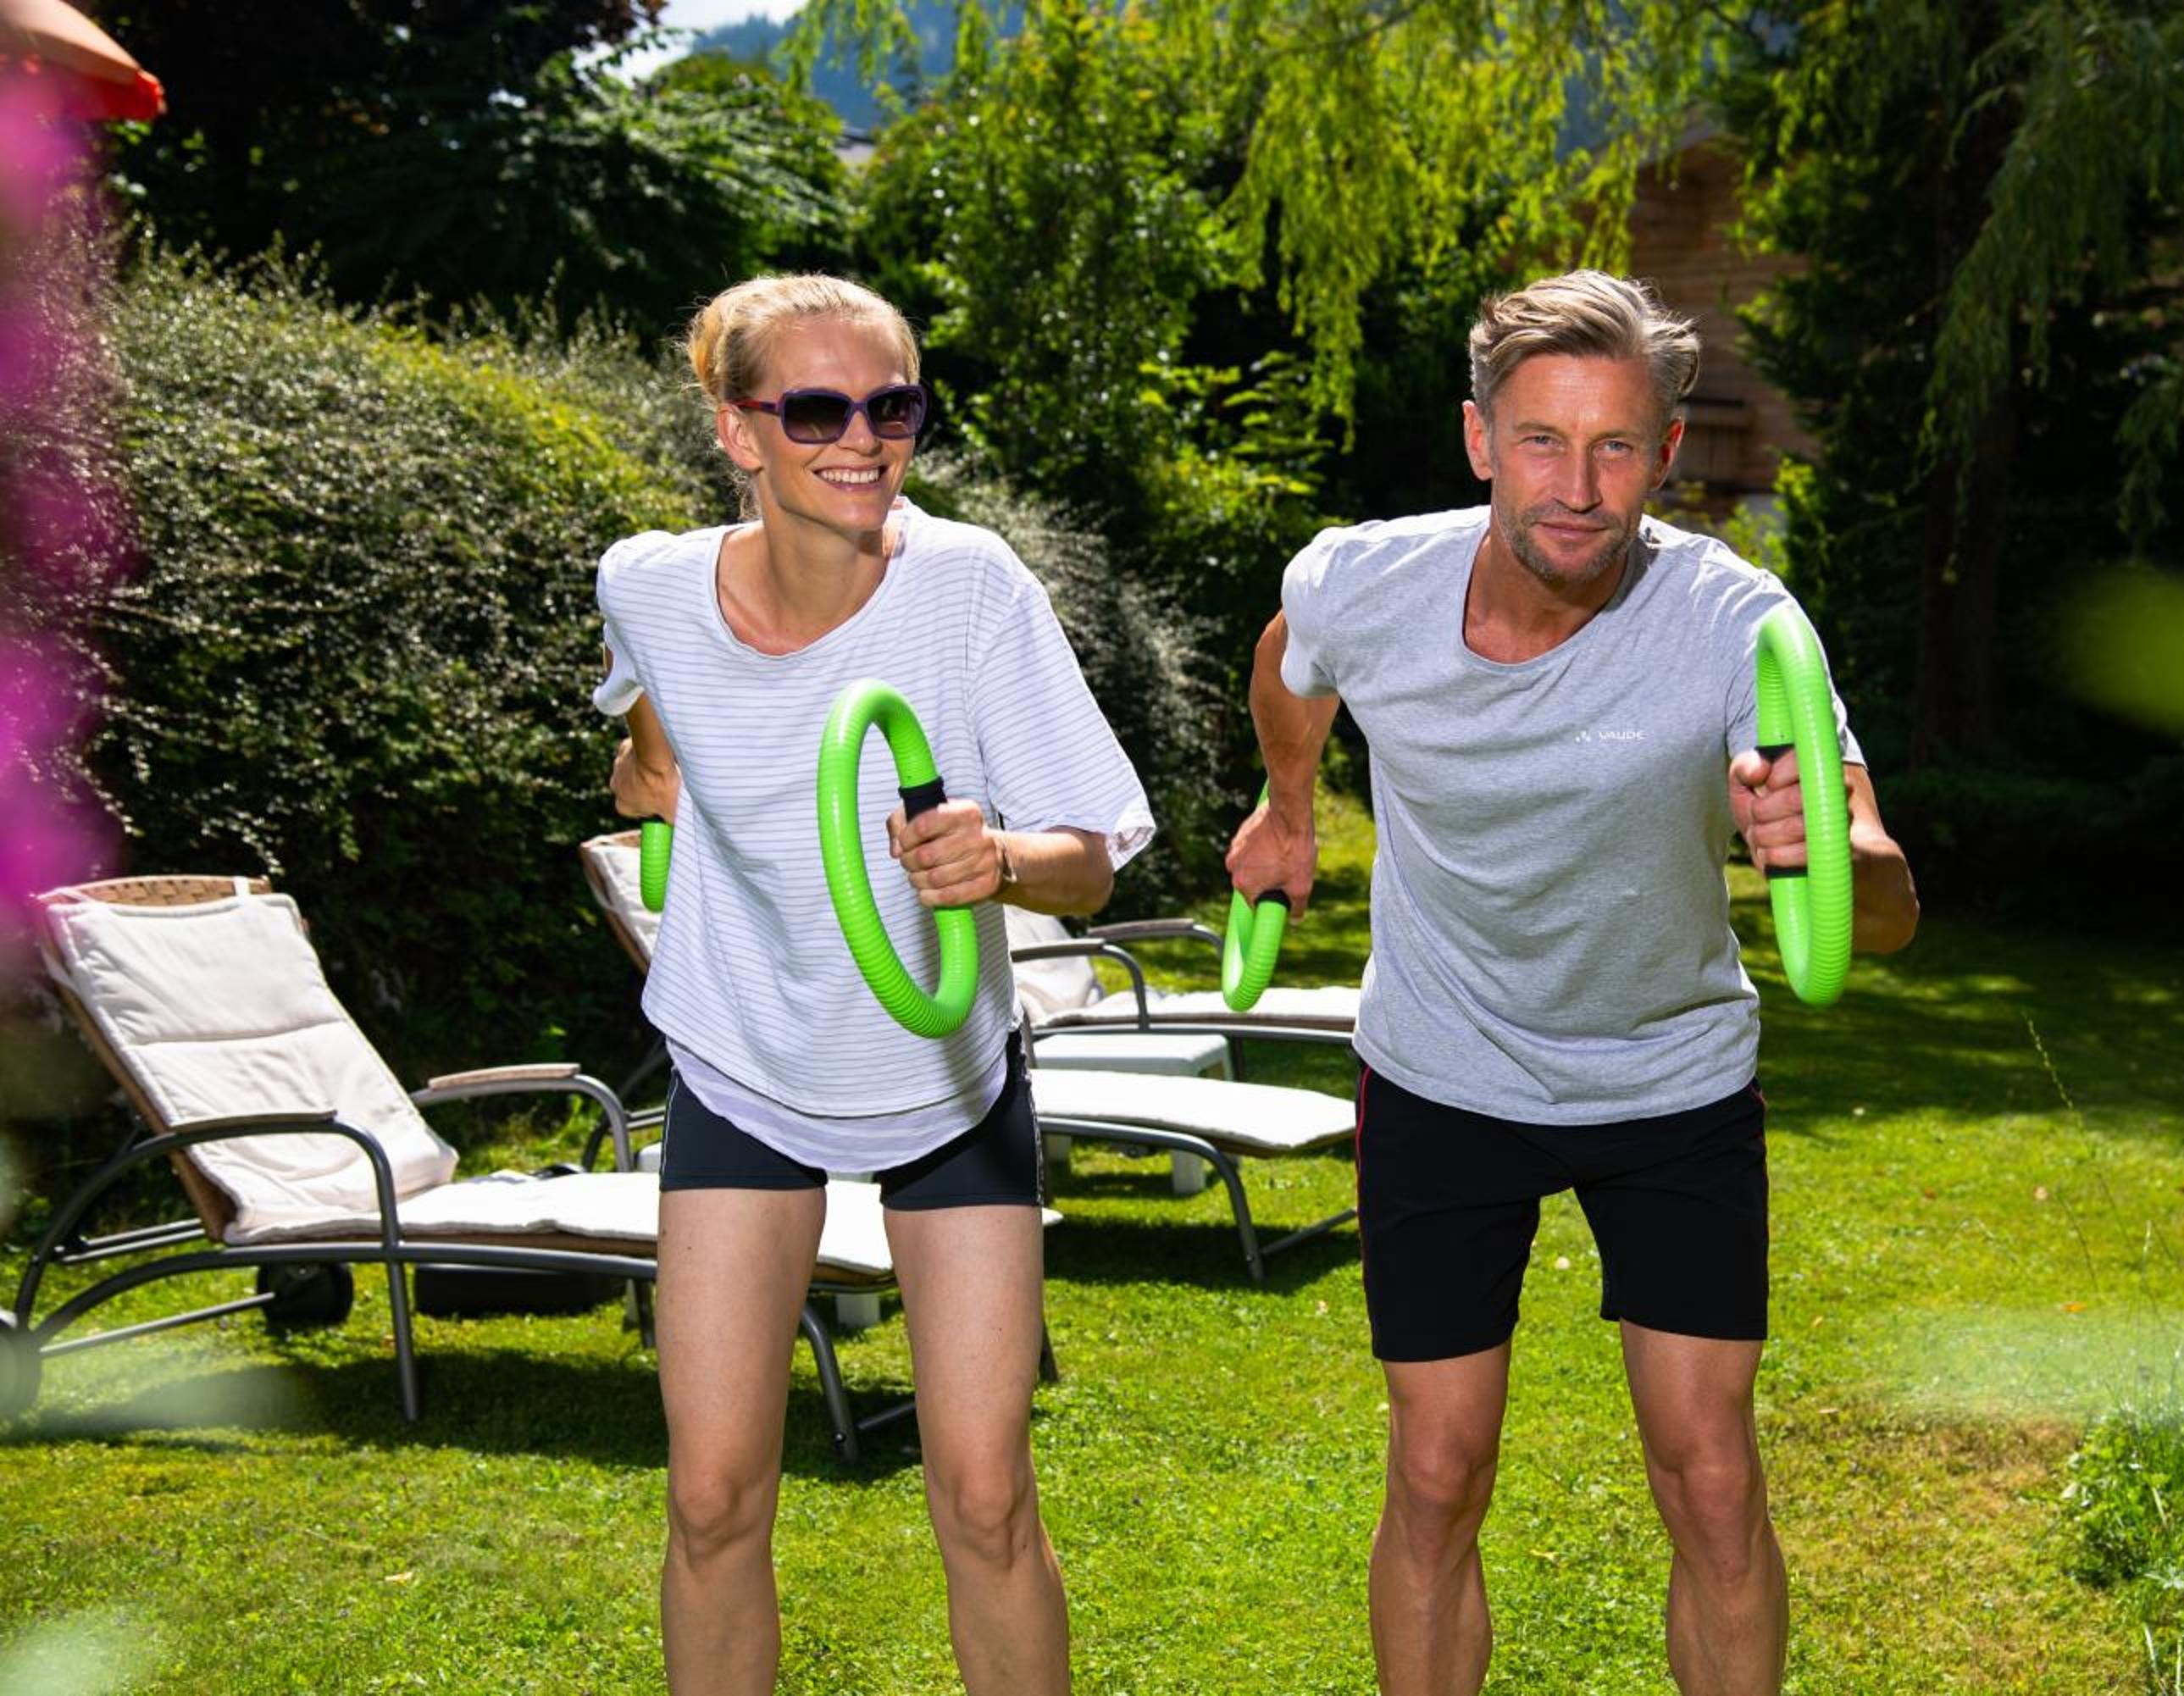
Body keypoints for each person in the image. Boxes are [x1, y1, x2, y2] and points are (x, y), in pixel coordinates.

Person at [1226, 269, 1920, 1696]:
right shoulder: (1366, 580)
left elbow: (1889, 895)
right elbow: (1292, 661)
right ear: (1479, 438)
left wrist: (1830, 854)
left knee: (1711, 1476)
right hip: (1443, 1065)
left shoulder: (1739, 625)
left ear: (1666, 453)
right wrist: (1287, 807)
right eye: (1542, 439)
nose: (1579, 487)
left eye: (1616, 447)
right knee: (1436, 1469)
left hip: (1667, 1076)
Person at [595, 274, 1150, 1696]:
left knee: (986, 1492)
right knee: (712, 1495)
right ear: (738, 430)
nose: (862, 439)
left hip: (942, 1077)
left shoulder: (971, 587)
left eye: (891, 406)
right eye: (817, 409)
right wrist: (647, 771)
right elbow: (650, 723)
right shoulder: (646, 582)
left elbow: (1091, 861)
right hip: (744, 1060)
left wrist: (1000, 859)